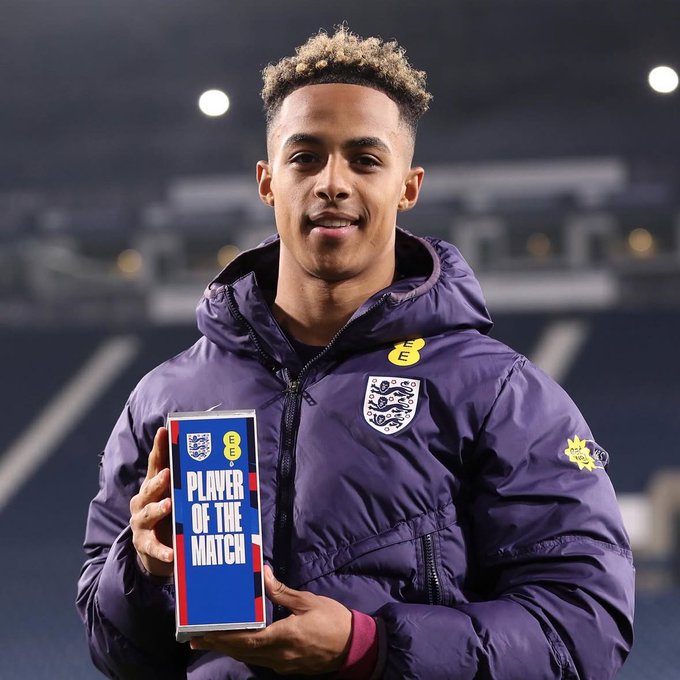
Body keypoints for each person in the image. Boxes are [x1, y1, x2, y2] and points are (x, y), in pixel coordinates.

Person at [77, 26, 634, 679]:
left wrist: (368, 647)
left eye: (365, 160)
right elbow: (113, 650)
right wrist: (141, 573)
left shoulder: (502, 394)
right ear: (267, 181)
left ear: (408, 186)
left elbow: (582, 631)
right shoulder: (166, 397)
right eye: (305, 157)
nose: (332, 182)